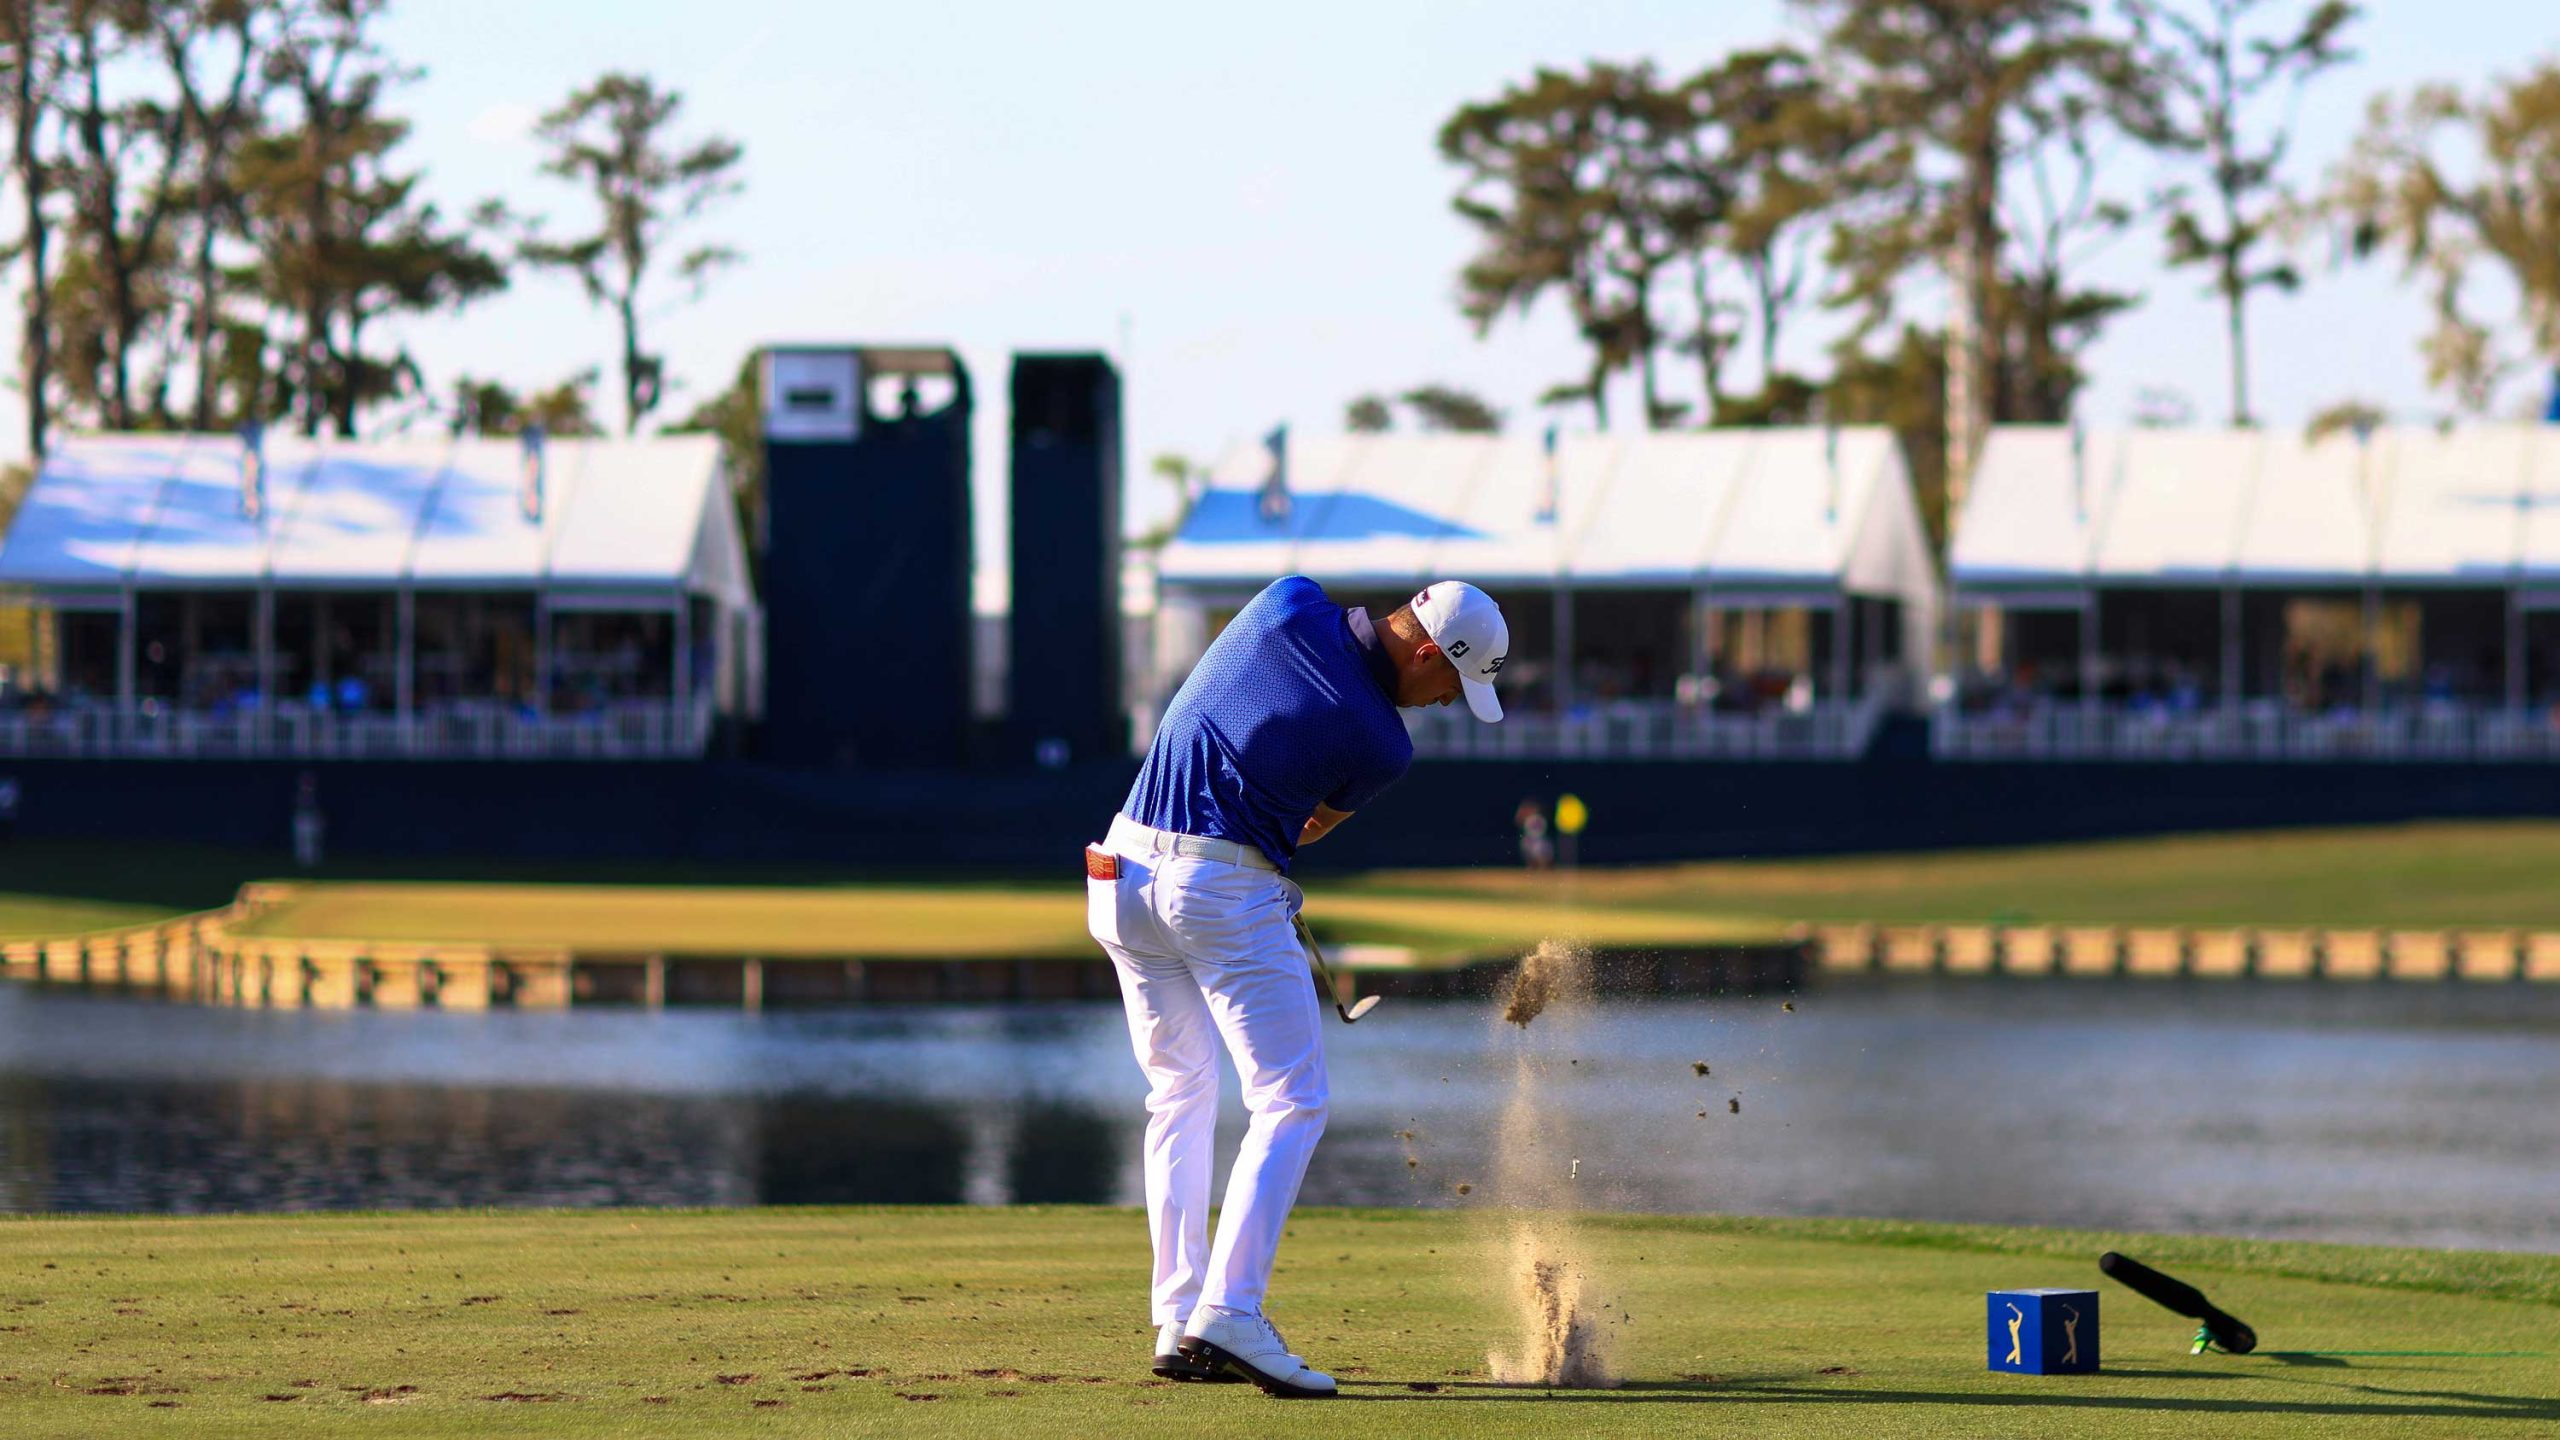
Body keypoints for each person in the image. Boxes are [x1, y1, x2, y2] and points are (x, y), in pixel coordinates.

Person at [1086, 576, 1508, 1399]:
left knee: (1178, 1092)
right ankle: (1231, 1312)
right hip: (1216, 891)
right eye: (1452, 685)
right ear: (1428, 652)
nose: (1446, 702)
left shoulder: (1286, 599)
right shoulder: (1383, 745)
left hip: (1119, 871)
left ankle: (1177, 1316)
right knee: (1290, 1099)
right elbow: (1309, 826)